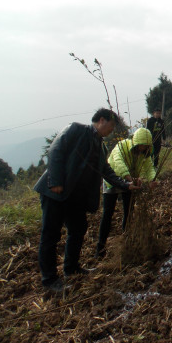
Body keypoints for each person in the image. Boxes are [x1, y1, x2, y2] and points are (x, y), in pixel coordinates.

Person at [34, 108, 138, 293]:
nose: (112, 131)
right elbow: (56, 149)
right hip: (56, 192)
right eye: (112, 126)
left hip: (75, 197)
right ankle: (49, 280)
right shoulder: (76, 129)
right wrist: (55, 181)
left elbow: (105, 170)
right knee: (51, 235)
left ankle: (71, 268)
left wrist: (125, 185)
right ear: (101, 120)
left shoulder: (100, 145)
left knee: (78, 228)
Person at [96, 127, 157, 258]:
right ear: (135, 143)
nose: (143, 148)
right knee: (108, 213)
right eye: (141, 146)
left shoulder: (145, 153)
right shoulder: (122, 147)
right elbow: (118, 164)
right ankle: (100, 249)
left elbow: (149, 167)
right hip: (113, 181)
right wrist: (129, 178)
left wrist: (152, 179)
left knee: (128, 212)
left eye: (146, 146)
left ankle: (126, 241)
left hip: (130, 184)